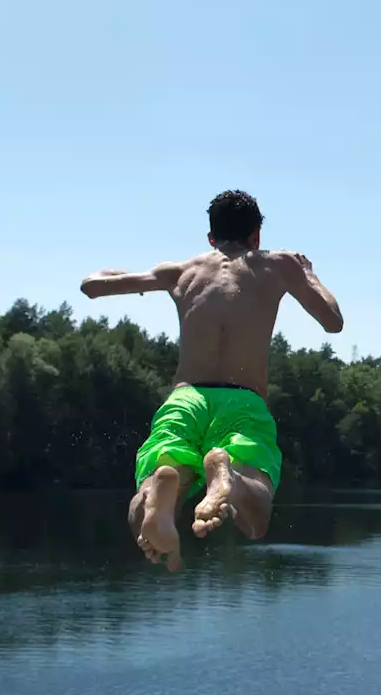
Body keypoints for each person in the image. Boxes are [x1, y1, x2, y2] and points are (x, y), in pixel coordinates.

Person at [80, 189, 344, 571]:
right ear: (256, 236)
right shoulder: (279, 265)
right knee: (256, 517)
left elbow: (91, 285)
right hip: (243, 403)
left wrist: (149, 280)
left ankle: (160, 488)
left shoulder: (182, 271)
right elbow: (333, 322)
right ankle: (232, 480)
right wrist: (307, 273)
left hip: (185, 399)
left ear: (210, 238)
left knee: (147, 491)